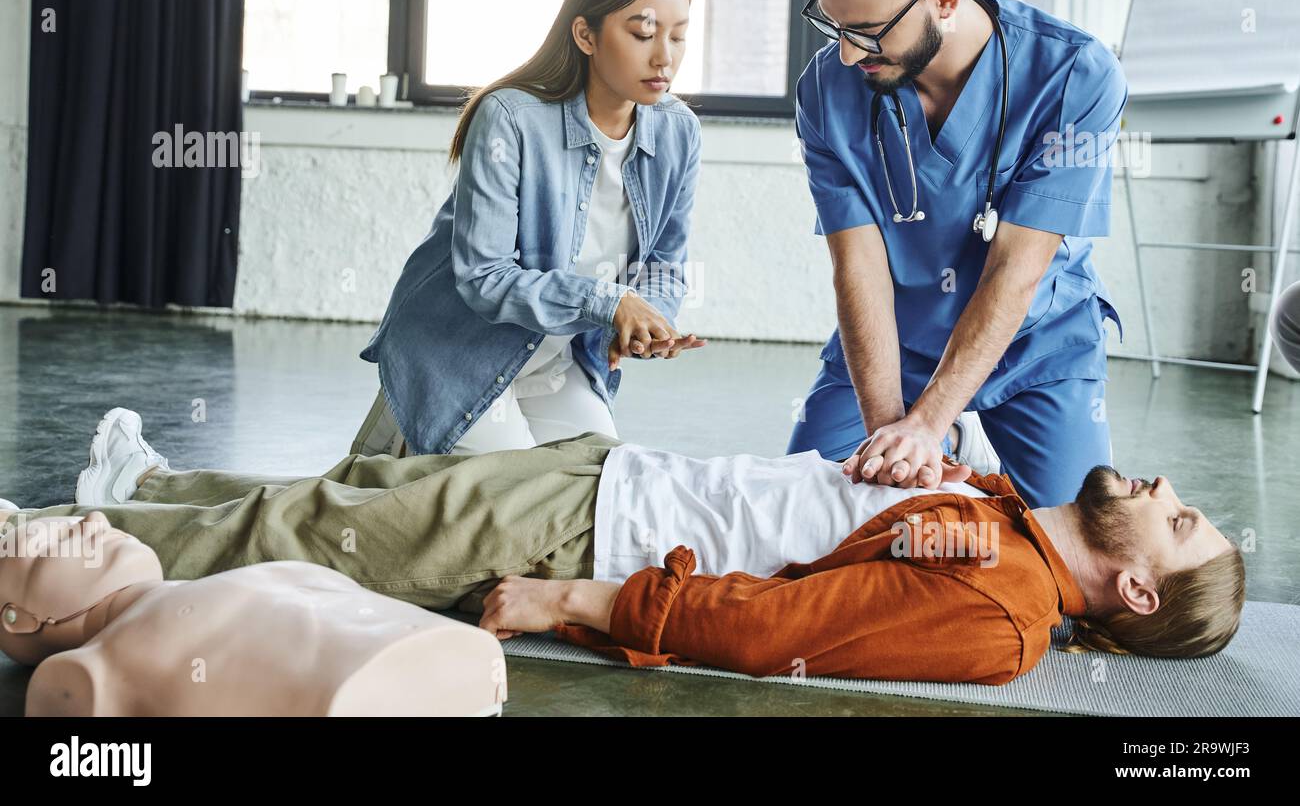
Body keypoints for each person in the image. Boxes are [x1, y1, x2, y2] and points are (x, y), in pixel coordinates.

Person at [0, 407, 1244, 686]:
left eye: (1177, 518)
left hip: (602, 531)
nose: (1161, 483)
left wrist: (572, 599)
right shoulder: (1009, 515)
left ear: (1135, 585)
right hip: (621, 476)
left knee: (316, 532)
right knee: (361, 488)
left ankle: (38, 559)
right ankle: (142, 493)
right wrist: (935, 453)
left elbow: (773, 627)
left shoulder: (1004, 612)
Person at [789, 0, 1127, 507]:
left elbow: (1015, 272)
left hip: (1036, 342)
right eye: (830, 24)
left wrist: (928, 423)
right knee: (809, 521)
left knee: (1074, 562)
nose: (843, 54)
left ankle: (960, 434)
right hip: (898, 340)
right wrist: (893, 436)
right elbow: (858, 268)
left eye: (865, 30)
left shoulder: (1075, 74)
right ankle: (955, 446)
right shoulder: (826, 90)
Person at [353, 0, 706, 460]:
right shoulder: (511, 120)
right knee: (514, 506)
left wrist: (647, 320)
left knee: (599, 489)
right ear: (585, 35)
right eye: (643, 33)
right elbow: (484, 278)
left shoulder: (678, 132)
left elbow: (665, 264)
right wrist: (611, 302)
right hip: (461, 355)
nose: (664, 58)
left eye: (678, 36)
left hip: (559, 358)